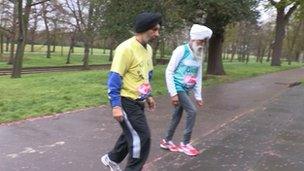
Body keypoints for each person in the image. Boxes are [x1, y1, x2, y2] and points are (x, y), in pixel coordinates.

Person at [101, 12, 161, 171]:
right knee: (142, 137)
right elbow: (114, 78)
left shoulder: (148, 49)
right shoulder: (125, 48)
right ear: (143, 29)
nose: (157, 34)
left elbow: (146, 75)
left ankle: (111, 158)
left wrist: (149, 96)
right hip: (125, 100)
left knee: (131, 132)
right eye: (154, 30)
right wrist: (115, 106)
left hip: (139, 100)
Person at [160, 24, 212, 156]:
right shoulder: (181, 50)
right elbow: (169, 71)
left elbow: (198, 75)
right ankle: (185, 143)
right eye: (200, 41)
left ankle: (166, 140)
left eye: (204, 42)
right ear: (193, 39)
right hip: (178, 88)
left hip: (187, 89)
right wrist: (173, 94)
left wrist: (198, 96)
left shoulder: (199, 54)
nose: (202, 45)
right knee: (192, 111)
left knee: (176, 115)